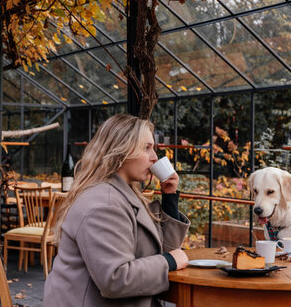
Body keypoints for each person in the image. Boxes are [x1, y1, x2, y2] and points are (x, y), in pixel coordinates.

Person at [44, 114, 190, 307]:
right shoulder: (104, 204)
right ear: (121, 151)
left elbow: (163, 249)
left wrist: (169, 198)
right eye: (147, 148)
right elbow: (115, 279)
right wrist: (169, 262)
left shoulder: (124, 193)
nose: (155, 157)